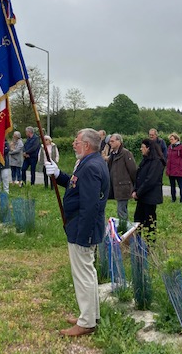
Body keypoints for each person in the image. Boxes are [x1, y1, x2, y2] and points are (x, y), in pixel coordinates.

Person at [44, 128, 109, 337]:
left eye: (77, 141)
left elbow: (90, 205)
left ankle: (87, 322)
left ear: (87, 145)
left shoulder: (91, 166)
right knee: (86, 273)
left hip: (83, 228)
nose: (73, 144)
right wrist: (59, 175)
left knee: (83, 275)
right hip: (81, 226)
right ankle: (90, 314)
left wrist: (83, 235)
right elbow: (75, 186)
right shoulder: (89, 162)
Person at [132, 139, 166, 241]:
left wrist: (139, 192)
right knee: (138, 219)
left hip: (150, 197)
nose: (141, 149)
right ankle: (137, 241)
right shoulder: (146, 160)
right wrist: (135, 190)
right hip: (142, 197)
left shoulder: (157, 162)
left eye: (142, 147)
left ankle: (150, 244)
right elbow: (138, 177)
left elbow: (150, 180)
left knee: (149, 221)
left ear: (148, 148)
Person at [106, 133, 137, 221]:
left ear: (119, 141)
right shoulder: (113, 154)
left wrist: (135, 185)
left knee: (121, 211)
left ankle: (124, 229)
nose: (110, 143)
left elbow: (133, 170)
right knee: (120, 210)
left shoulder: (126, 153)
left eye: (112, 141)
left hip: (123, 186)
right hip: (116, 186)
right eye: (110, 141)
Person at [166, 133, 182, 203]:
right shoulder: (170, 147)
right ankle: (173, 199)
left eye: (172, 139)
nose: (171, 141)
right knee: (172, 186)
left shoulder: (181, 148)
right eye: (170, 140)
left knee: (180, 185)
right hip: (171, 169)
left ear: (176, 139)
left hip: (179, 170)